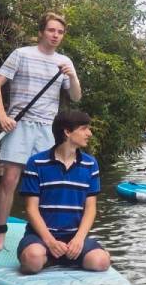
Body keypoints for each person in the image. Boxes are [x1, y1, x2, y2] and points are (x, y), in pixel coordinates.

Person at [0, 12, 82, 251]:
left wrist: (73, 75)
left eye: (60, 32)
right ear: (42, 31)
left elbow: (76, 97)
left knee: (48, 183)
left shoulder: (64, 62)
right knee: (10, 180)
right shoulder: (21, 54)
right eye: (51, 30)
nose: (55, 35)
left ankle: (46, 236)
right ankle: (0, 234)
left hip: (48, 130)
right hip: (19, 125)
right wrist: (2, 116)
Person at [17, 110, 110, 274]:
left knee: (101, 262)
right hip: (41, 237)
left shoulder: (90, 164)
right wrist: (51, 242)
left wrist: (79, 239)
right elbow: (31, 209)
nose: (89, 133)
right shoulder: (36, 163)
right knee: (33, 259)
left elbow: (90, 208)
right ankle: (49, 257)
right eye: (84, 128)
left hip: (74, 237)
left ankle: (69, 255)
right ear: (67, 132)